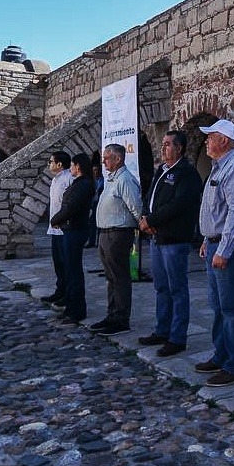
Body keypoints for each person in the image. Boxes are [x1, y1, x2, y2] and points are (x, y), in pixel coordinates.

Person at [195, 119, 234, 387]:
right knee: (218, 305)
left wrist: (224, 249)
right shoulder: (219, 167)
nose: (206, 141)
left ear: (224, 140)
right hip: (216, 243)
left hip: (231, 245)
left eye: (211, 137)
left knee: (232, 306)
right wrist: (208, 240)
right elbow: (216, 210)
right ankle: (221, 355)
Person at [137, 130, 202, 357]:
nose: (163, 148)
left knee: (177, 289)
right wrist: (145, 218)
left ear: (180, 148)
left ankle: (177, 337)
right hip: (157, 238)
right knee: (161, 287)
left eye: (167, 144)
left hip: (175, 240)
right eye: (162, 144)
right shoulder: (162, 171)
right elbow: (150, 198)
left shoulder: (187, 174)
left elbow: (178, 205)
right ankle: (162, 330)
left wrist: (152, 221)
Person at [88, 143, 142, 336]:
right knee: (111, 277)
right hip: (105, 233)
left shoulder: (125, 179)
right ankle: (112, 315)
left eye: (107, 158)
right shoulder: (111, 179)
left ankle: (121, 319)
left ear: (118, 159)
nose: (103, 161)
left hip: (118, 234)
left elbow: (135, 206)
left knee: (119, 277)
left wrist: (142, 225)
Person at [49, 153, 95, 324]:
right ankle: (70, 304)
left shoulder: (83, 185)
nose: (71, 169)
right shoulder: (79, 183)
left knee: (73, 270)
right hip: (70, 229)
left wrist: (56, 219)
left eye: (73, 165)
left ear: (78, 167)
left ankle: (77, 309)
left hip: (75, 230)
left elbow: (71, 207)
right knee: (68, 269)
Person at [39, 151, 73, 310]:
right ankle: (60, 290)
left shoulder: (68, 178)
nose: (49, 164)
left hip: (64, 228)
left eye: (51, 161)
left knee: (66, 264)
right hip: (55, 229)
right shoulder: (56, 179)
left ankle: (68, 294)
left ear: (59, 164)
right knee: (58, 263)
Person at [85, 161, 104, 248]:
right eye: (93, 170)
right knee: (92, 223)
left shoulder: (102, 181)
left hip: (100, 203)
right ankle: (91, 241)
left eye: (96, 170)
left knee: (99, 223)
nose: (94, 172)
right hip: (93, 203)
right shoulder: (91, 181)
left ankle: (99, 241)